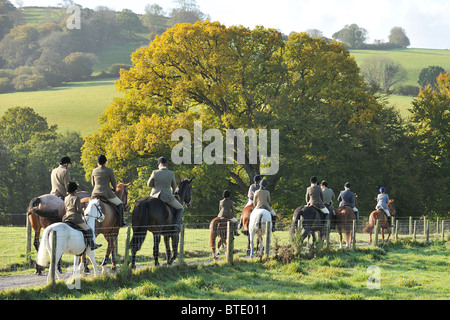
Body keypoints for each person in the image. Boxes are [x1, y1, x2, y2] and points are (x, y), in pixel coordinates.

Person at [147, 156, 183, 232]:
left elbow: (149, 184)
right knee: (180, 208)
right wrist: (172, 193)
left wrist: (156, 186)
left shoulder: (154, 172)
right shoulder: (171, 173)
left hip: (154, 196)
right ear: (166, 164)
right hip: (167, 196)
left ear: (160, 164)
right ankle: (176, 224)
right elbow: (174, 186)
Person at [63, 181, 101, 250]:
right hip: (75, 218)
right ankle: (92, 245)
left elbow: (66, 208)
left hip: (67, 217)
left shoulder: (65, 198)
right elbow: (78, 209)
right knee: (88, 229)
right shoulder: (76, 198)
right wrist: (83, 212)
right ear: (74, 190)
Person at [91, 154, 126, 226]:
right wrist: (113, 189)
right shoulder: (109, 170)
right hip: (106, 194)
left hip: (95, 194)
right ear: (105, 162)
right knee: (120, 203)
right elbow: (114, 183)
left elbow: (93, 184)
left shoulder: (94, 171)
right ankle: (121, 222)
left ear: (98, 163)